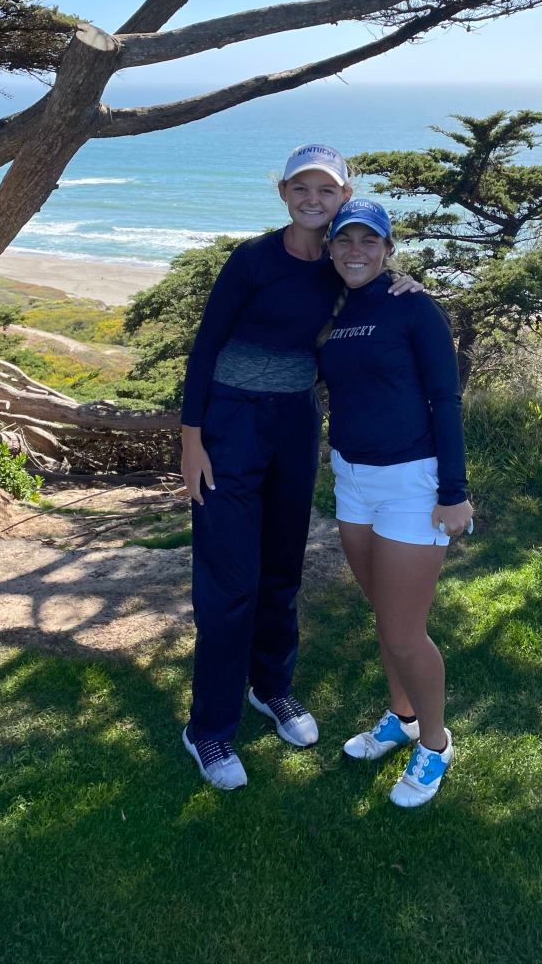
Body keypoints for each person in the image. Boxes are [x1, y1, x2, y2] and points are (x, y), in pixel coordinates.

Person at [180, 145, 423, 790]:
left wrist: (407, 283)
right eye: (301, 189)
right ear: (283, 193)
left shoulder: (342, 263)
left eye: (327, 190)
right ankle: (208, 727)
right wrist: (191, 440)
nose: (313, 200)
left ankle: (271, 687)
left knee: (283, 569)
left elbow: (376, 291)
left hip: (293, 424)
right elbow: (205, 346)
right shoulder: (252, 260)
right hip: (230, 424)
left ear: (345, 197)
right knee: (230, 582)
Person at [318, 197, 474, 808]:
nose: (355, 250)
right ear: (331, 248)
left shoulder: (414, 306)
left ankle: (435, 745)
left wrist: (454, 492)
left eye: (369, 240)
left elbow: (446, 400)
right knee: (385, 617)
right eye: (344, 239)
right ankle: (402, 717)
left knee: (406, 633)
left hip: (412, 482)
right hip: (351, 479)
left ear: (387, 249)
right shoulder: (334, 307)